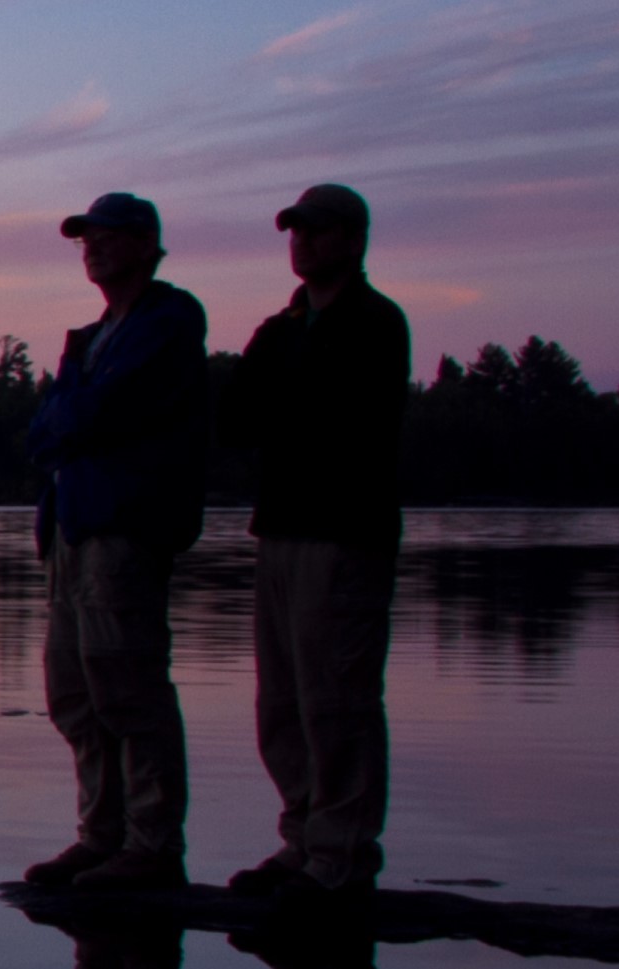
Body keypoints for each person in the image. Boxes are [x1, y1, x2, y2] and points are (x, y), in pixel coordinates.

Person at [218, 184, 410, 907]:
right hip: (282, 529)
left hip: (347, 532)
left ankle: (343, 852)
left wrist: (285, 402)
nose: (301, 242)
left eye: (316, 231)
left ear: (352, 240)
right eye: (295, 231)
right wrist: (287, 399)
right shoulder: (283, 326)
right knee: (284, 699)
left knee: (339, 695)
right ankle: (301, 837)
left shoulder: (375, 321)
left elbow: (343, 416)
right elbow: (237, 416)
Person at [21, 192, 210, 892]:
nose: (92, 247)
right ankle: (101, 837)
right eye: (85, 239)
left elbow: (102, 411)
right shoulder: (90, 337)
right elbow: (43, 433)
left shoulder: (169, 321)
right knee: (73, 692)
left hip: (126, 529)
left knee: (129, 686)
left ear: (144, 245)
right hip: (72, 529)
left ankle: (153, 846)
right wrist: (70, 421)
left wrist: (71, 420)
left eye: (106, 236)